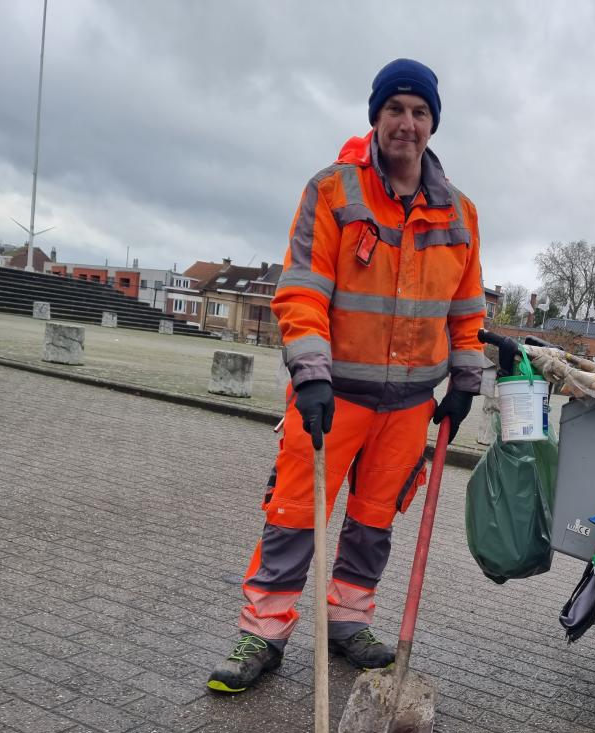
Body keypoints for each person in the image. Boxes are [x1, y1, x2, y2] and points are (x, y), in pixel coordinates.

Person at [208, 59, 487, 693]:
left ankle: (348, 621)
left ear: (433, 123)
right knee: (294, 514)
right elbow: (303, 291)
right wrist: (310, 373)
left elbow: (467, 309)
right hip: (335, 395)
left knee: (374, 519)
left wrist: (466, 379)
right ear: (376, 118)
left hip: (411, 402)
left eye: (420, 112)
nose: (407, 124)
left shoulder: (461, 214)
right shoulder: (333, 193)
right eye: (396, 110)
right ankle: (264, 632)